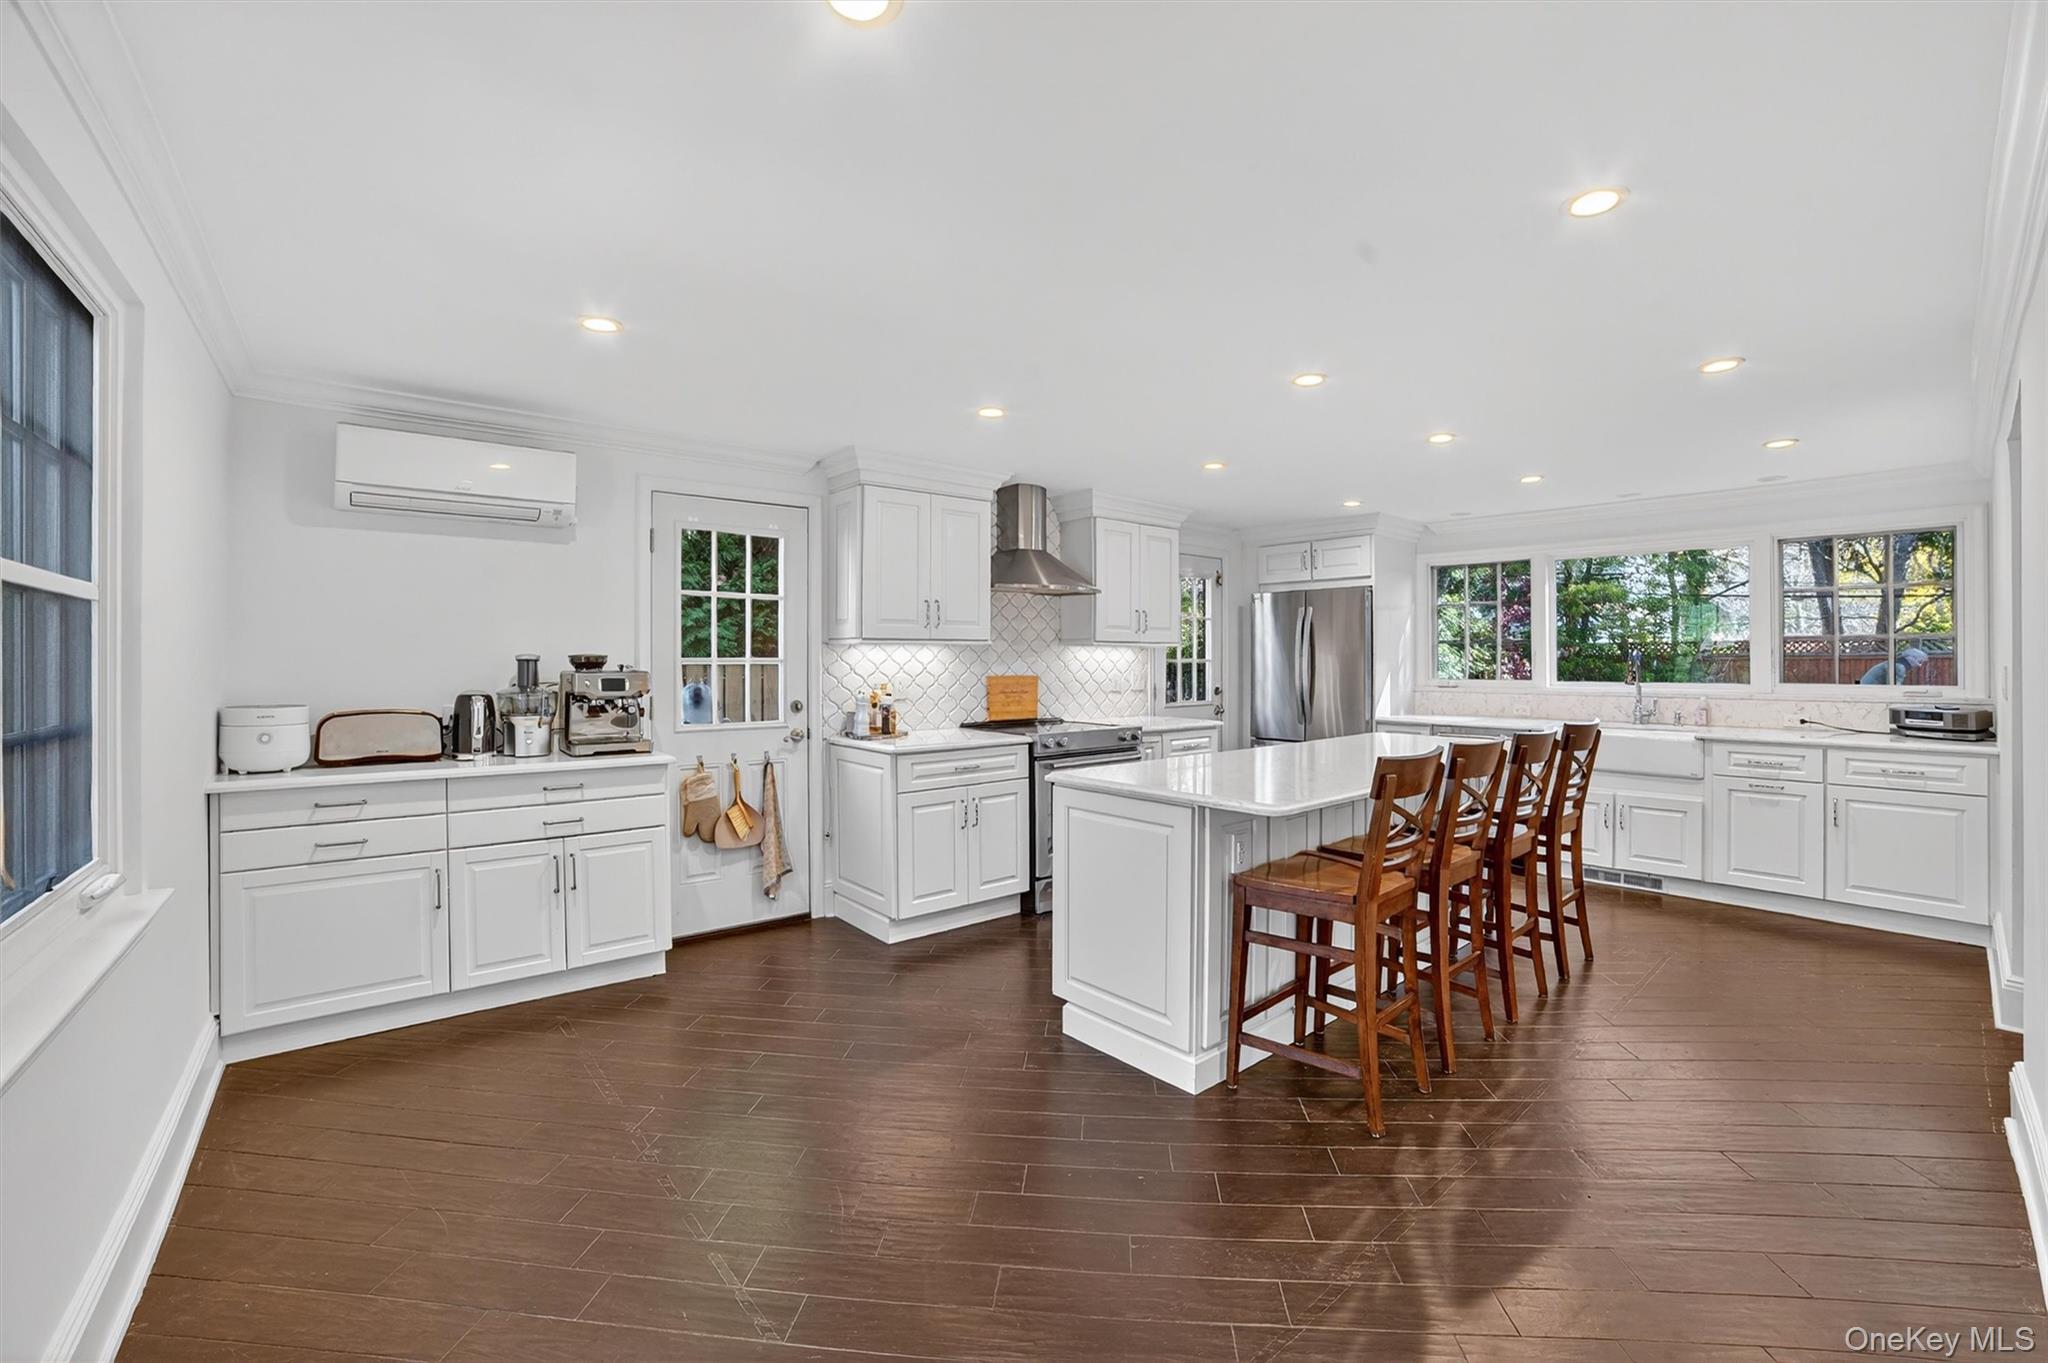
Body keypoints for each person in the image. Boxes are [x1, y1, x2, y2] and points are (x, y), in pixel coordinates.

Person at [1858, 645, 1929, 685]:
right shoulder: (1899, 667)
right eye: (1919, 661)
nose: (1919, 665)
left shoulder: (1895, 664)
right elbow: (1894, 688)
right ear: (1911, 658)